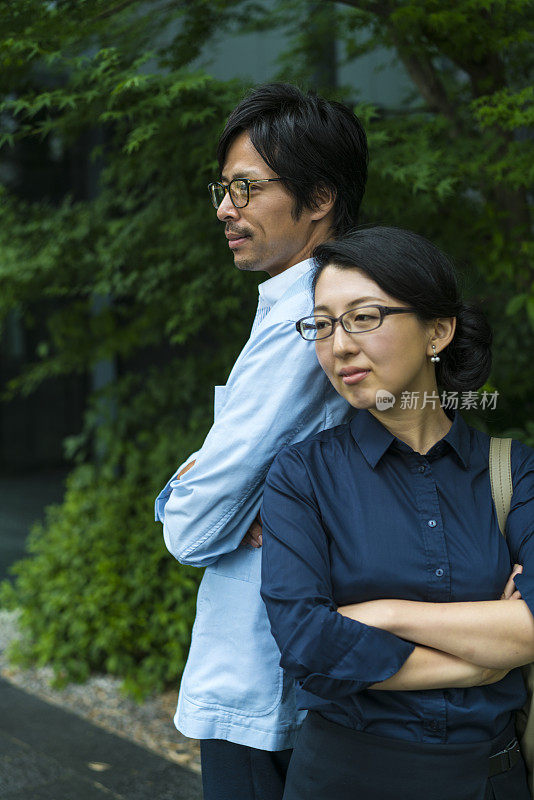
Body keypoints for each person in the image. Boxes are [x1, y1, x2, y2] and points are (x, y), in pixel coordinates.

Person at [260, 226, 534, 800]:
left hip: (492, 780)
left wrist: (382, 614)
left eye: (364, 317)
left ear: (437, 330)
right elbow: (308, 648)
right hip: (344, 780)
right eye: (323, 324)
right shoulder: (302, 476)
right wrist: (482, 664)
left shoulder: (516, 472)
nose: (339, 346)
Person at [154, 83, 368, 800]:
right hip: (288, 665)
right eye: (223, 187)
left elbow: (191, 526)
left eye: (247, 188)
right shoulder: (326, 306)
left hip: (261, 666)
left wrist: (180, 494)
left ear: (319, 199)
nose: (225, 207)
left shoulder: (301, 324)